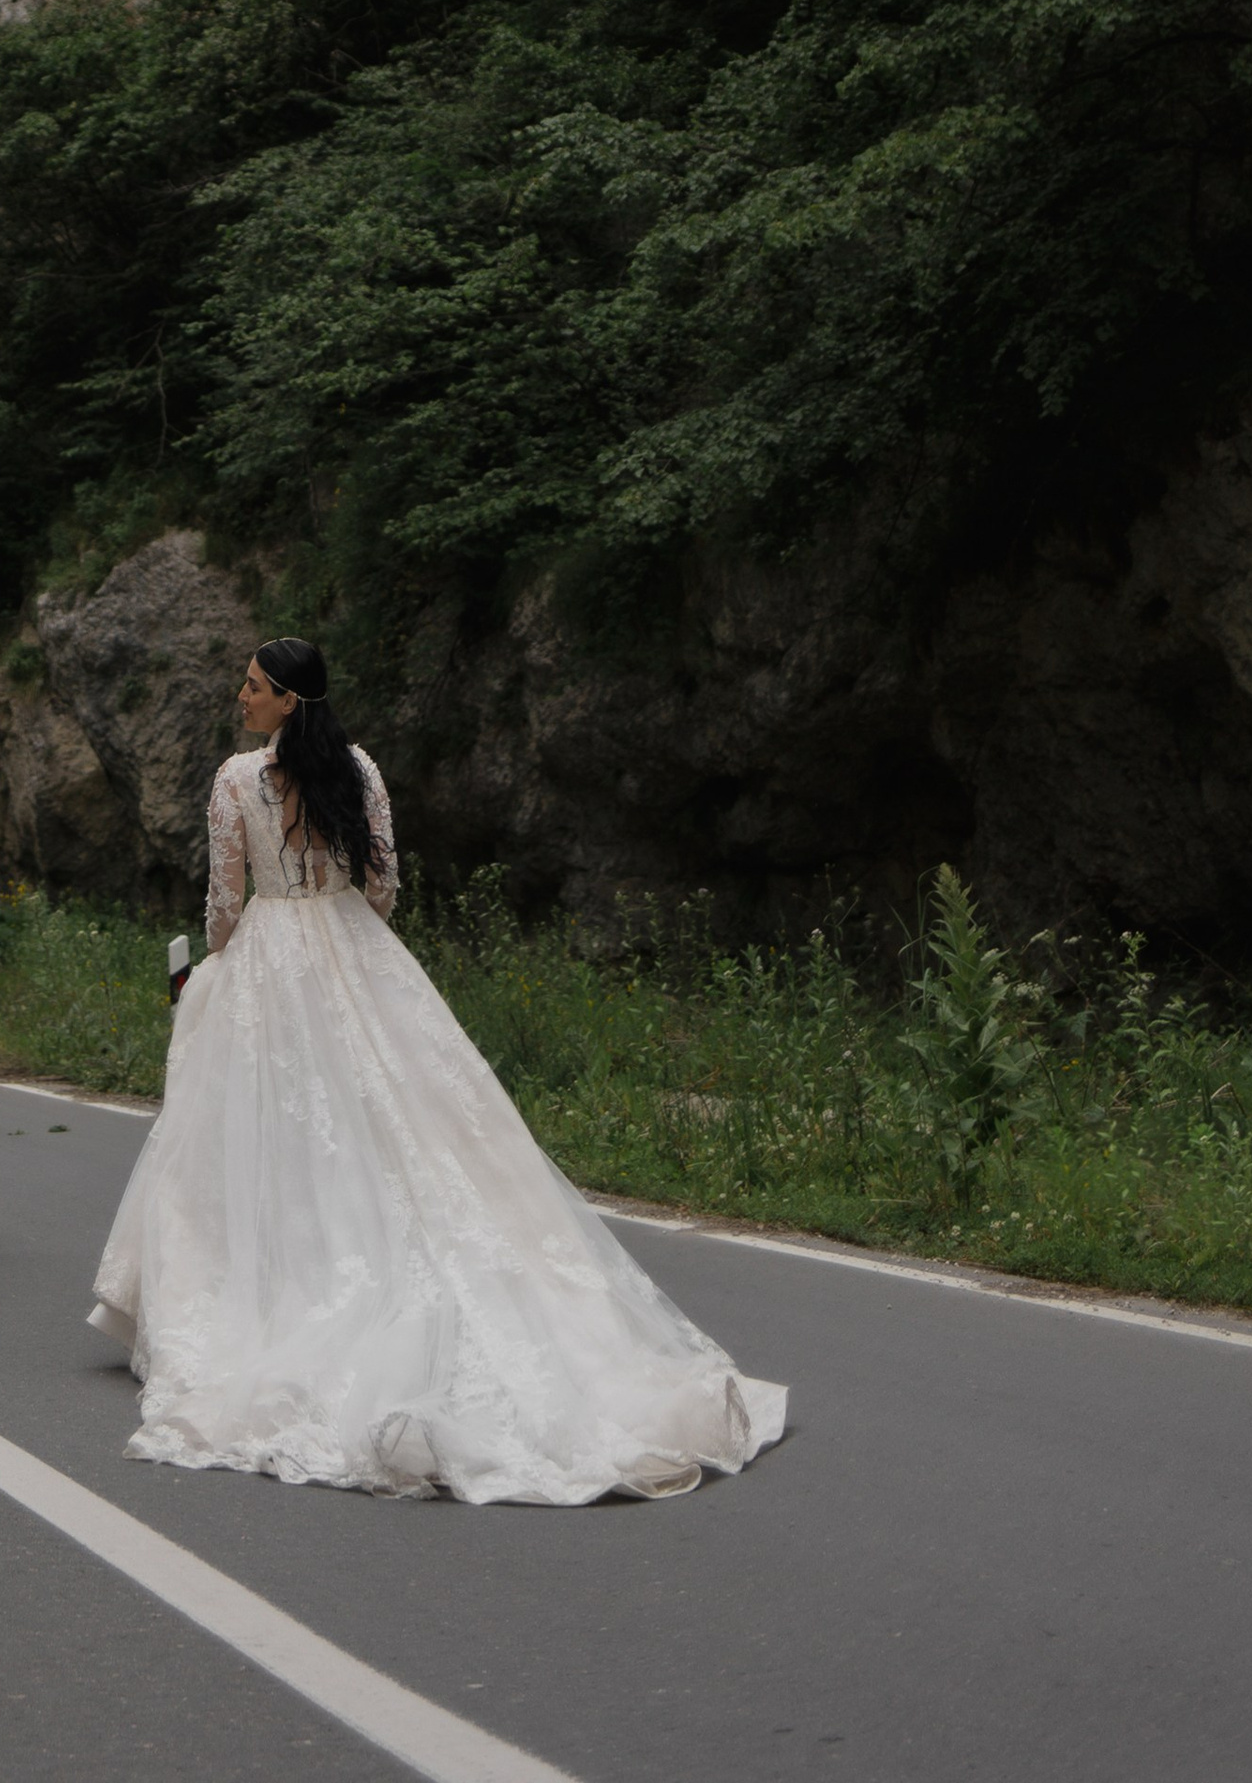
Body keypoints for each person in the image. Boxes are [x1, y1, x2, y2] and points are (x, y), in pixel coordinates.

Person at [90, 637, 787, 1504]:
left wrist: (215, 976)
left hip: (271, 956)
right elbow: (384, 888)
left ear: (289, 701)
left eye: (254, 686)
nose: (241, 697)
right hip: (355, 947)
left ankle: (273, 1289)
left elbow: (224, 903)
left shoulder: (238, 781)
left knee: (269, 1133)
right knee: (402, 1120)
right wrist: (343, 927)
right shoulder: (362, 769)